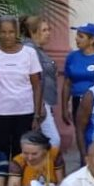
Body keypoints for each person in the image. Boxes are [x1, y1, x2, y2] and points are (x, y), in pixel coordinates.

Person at [0, 15, 43, 158]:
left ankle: (18, 180)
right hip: (0, 113)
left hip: (25, 112)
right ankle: (0, 180)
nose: (7, 36)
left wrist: (37, 114)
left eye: (11, 32)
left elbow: (37, 86)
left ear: (17, 32)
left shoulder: (29, 53)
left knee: (21, 153)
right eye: (3, 32)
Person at [20, 15, 61, 148]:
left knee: (39, 141)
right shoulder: (30, 50)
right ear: (33, 32)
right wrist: (40, 106)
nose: (48, 33)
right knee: (53, 141)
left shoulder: (37, 50)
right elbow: (33, 80)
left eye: (48, 29)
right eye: (44, 30)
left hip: (44, 101)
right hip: (39, 102)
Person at [62, 22, 94, 128]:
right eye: (77, 35)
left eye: (81, 36)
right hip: (77, 102)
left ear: (92, 40)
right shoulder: (72, 57)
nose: (76, 39)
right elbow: (67, 84)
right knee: (80, 135)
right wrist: (64, 108)